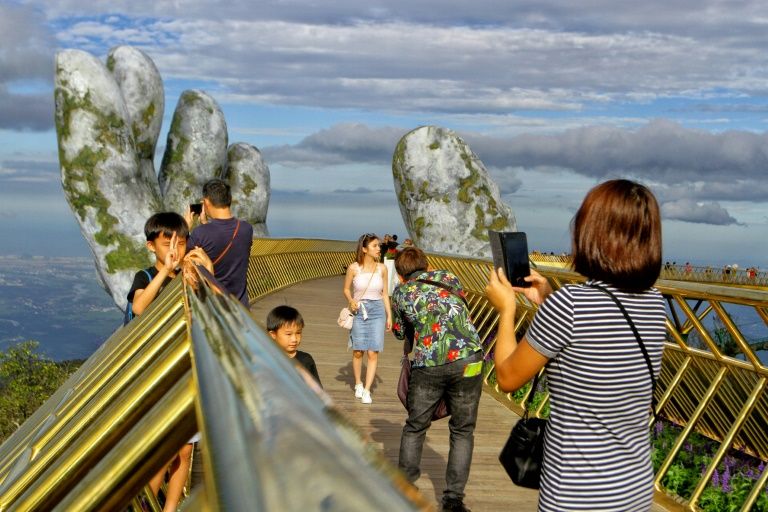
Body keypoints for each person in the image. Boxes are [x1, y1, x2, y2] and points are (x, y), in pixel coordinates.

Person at [485, 179, 666, 512]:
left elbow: (508, 377)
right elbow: (597, 339)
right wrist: (547, 300)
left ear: (590, 232)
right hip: (635, 491)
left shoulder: (570, 305)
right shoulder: (655, 303)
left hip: (576, 493)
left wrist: (506, 310)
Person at [127, 212, 212, 512]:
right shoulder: (146, 276)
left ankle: (170, 508)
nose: (175, 248)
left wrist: (208, 273)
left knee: (186, 451)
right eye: (167, 243)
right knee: (163, 453)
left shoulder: (190, 276)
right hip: (153, 375)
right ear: (151, 246)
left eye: (182, 241)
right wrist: (166, 271)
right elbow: (139, 307)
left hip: (185, 371)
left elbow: (211, 311)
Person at [391, 247, 483, 512]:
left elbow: (399, 332)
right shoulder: (450, 278)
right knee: (463, 430)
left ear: (400, 274)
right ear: (427, 265)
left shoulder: (402, 292)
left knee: (415, 427)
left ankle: (406, 489)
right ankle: (454, 500)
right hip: (470, 359)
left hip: (430, 361)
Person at [185, 178, 253, 307]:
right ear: (229, 200)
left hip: (214, 306)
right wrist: (206, 224)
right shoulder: (246, 229)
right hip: (240, 306)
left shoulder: (200, 233)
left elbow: (180, 257)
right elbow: (222, 238)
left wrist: (186, 229)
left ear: (206, 202)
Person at [343, 233, 392, 404]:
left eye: (379, 246)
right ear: (364, 249)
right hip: (360, 309)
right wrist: (351, 301)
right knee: (358, 350)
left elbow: (385, 293)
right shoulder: (354, 268)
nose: (379, 248)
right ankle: (358, 383)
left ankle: (367, 390)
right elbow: (346, 289)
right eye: (375, 246)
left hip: (377, 310)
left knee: (373, 351)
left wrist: (389, 315)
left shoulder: (382, 269)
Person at [266, 305, 322, 386]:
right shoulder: (266, 360)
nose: (294, 339)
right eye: (288, 334)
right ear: (273, 334)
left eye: (298, 333)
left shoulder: (306, 360)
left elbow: (317, 390)